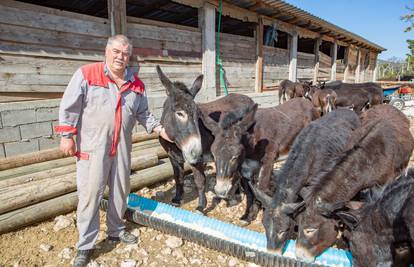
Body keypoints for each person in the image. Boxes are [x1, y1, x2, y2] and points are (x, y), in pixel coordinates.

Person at [55, 35, 172, 267]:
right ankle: (86, 245)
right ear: (107, 52)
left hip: (121, 147)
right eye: (117, 51)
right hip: (93, 147)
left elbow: (143, 114)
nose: (121, 57)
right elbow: (70, 106)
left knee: (120, 191)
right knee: (90, 195)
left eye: (126, 53)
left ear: (130, 57)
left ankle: (116, 230)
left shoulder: (137, 84)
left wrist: (159, 128)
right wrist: (67, 135)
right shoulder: (87, 74)